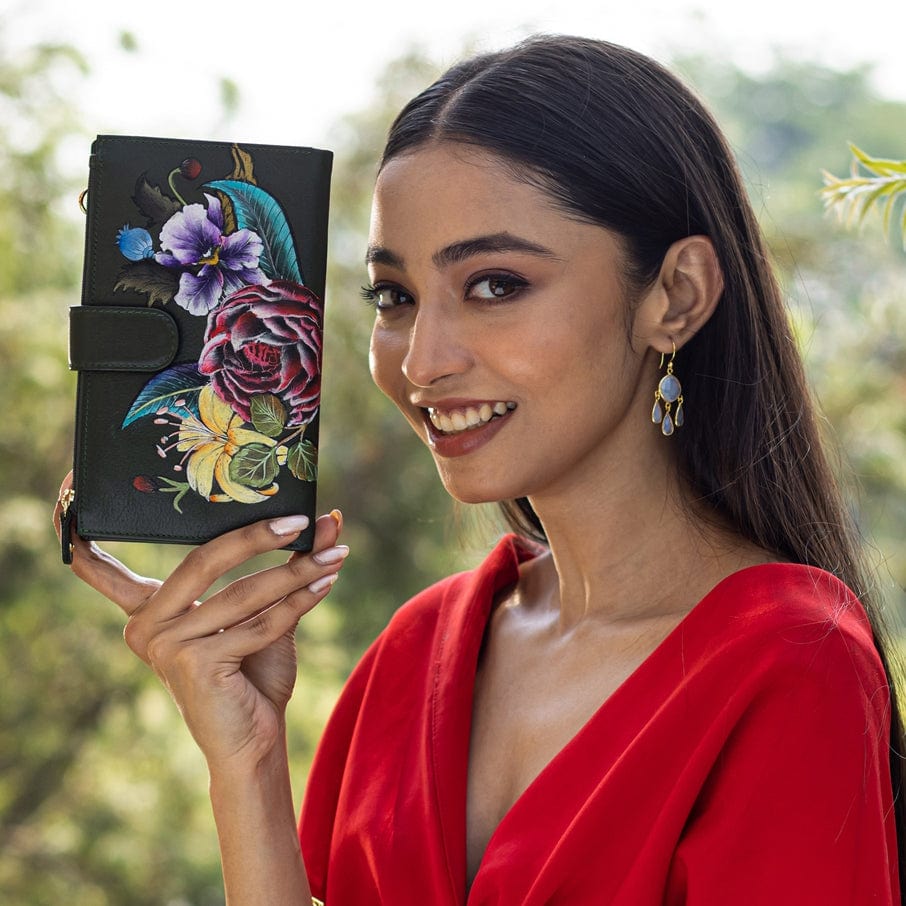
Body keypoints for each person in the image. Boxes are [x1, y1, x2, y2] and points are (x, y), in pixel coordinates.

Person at [56, 35, 902, 905]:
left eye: (496, 284)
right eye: (395, 296)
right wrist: (247, 762)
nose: (422, 361)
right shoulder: (414, 656)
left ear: (676, 295)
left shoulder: (792, 666)